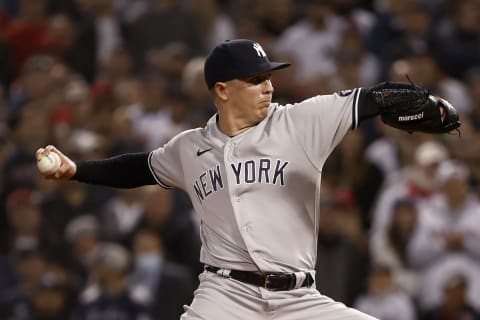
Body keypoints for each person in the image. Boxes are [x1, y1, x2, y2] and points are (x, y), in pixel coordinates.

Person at [36, 38, 457, 319]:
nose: (268, 87)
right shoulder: (189, 148)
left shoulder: (300, 122)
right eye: (255, 80)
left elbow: (371, 98)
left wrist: (412, 101)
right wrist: (77, 170)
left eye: (269, 76)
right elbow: (138, 167)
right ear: (222, 90)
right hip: (224, 297)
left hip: (298, 299)